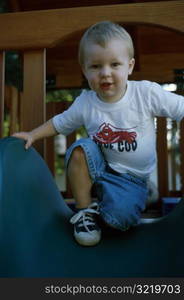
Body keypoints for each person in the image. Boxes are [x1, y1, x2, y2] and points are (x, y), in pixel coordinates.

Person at [13, 21, 184, 247]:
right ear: (84, 70)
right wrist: (33, 134)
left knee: (119, 221)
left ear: (129, 66)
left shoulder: (145, 93)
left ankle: (133, 198)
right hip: (101, 169)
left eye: (115, 64)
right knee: (80, 150)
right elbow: (60, 123)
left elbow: (180, 107)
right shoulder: (86, 103)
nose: (105, 73)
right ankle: (85, 214)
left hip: (132, 179)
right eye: (95, 66)